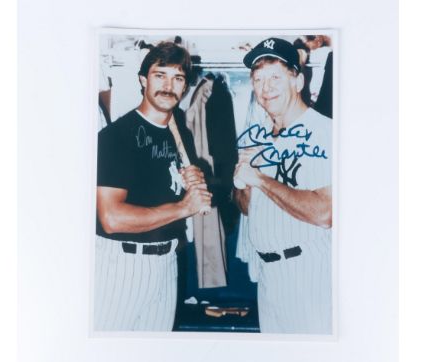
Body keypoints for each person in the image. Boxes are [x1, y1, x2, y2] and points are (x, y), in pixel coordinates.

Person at [94, 41, 212, 331]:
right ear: (143, 80)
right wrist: (184, 207)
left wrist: (189, 185)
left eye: (178, 78)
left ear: (185, 87)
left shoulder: (177, 132)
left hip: (166, 263)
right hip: (123, 266)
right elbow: (111, 218)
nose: (168, 86)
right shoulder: (116, 137)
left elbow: (158, 191)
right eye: (160, 75)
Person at [234, 37, 333, 334]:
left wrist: (261, 180)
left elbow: (325, 213)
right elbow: (245, 208)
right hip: (268, 278)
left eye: (276, 77)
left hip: (308, 276)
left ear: (298, 81)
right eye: (258, 79)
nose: (266, 88)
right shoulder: (258, 136)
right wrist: (243, 184)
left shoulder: (323, 132)